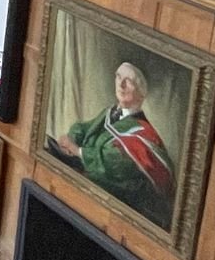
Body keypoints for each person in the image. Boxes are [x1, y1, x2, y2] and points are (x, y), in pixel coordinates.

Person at [49, 61, 174, 227]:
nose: (121, 85)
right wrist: (72, 139)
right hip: (91, 172)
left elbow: (114, 163)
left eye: (129, 81)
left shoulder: (144, 132)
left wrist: (77, 150)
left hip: (120, 195)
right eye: (119, 77)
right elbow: (84, 127)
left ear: (141, 94)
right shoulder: (111, 112)